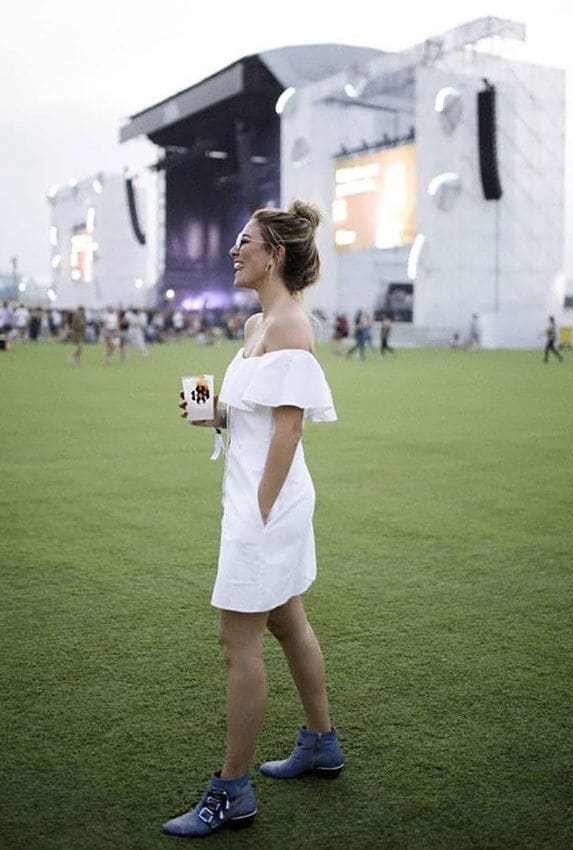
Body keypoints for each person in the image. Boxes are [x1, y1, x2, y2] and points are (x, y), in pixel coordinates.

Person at [163, 201, 343, 839]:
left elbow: (290, 429)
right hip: (251, 498)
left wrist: (259, 514)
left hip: (267, 505)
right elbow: (248, 417)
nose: (234, 251)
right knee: (289, 623)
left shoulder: (292, 324)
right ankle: (321, 744)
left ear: (277, 255)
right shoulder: (253, 324)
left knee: (237, 643)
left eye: (246, 243)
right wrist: (203, 407)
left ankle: (231, 791)